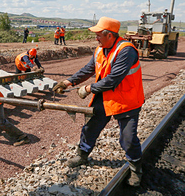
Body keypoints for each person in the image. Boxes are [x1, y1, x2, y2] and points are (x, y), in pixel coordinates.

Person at [52, 16, 144, 187]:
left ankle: (136, 168)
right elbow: (88, 69)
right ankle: (82, 154)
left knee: (128, 138)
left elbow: (113, 79)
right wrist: (68, 82)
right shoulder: (100, 49)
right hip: (105, 97)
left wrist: (88, 89)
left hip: (126, 100)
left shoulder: (126, 50)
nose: (96, 38)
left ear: (109, 35)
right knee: (90, 127)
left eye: (98, 35)